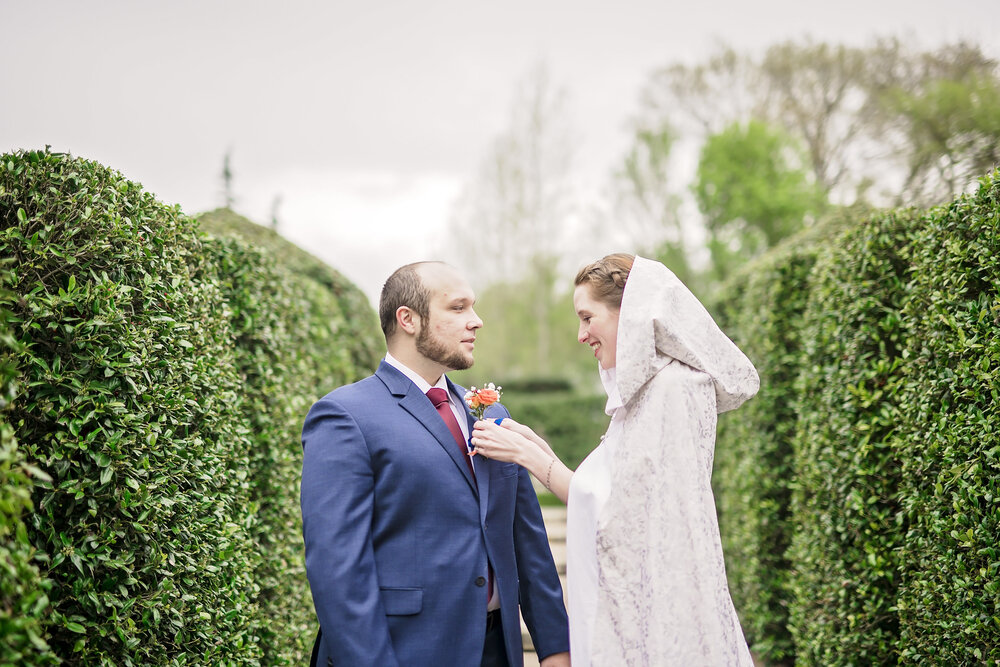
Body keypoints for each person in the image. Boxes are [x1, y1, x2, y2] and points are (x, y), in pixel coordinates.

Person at [470, 254, 759, 666]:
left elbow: (633, 521)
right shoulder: (645, 395)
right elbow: (614, 491)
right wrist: (535, 448)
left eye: (588, 318)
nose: (581, 334)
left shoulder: (674, 390)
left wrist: (529, 457)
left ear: (633, 315)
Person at [300, 261, 570, 667]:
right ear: (407, 319)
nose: (476, 321)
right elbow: (338, 571)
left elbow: (527, 544)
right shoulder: (343, 416)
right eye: (458, 308)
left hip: (499, 652)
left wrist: (555, 649)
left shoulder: (492, 412)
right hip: (404, 650)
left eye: (473, 307)